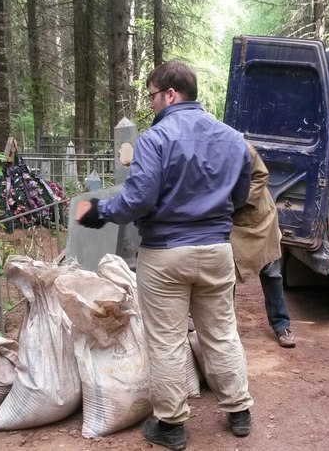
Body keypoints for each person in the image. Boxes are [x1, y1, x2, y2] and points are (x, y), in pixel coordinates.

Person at [76, 60, 254, 450]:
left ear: (170, 93)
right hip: (216, 249)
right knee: (221, 332)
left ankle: (171, 425)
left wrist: (96, 211)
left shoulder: (155, 140)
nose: (152, 104)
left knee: (167, 341)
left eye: (153, 96)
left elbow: (137, 200)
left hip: (165, 254)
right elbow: (242, 196)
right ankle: (239, 410)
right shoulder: (232, 138)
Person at [231, 142, 295, 348]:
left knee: (271, 272)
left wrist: (239, 201)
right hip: (231, 223)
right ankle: (227, 328)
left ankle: (282, 325)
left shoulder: (237, 144)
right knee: (226, 276)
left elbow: (260, 175)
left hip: (259, 218)